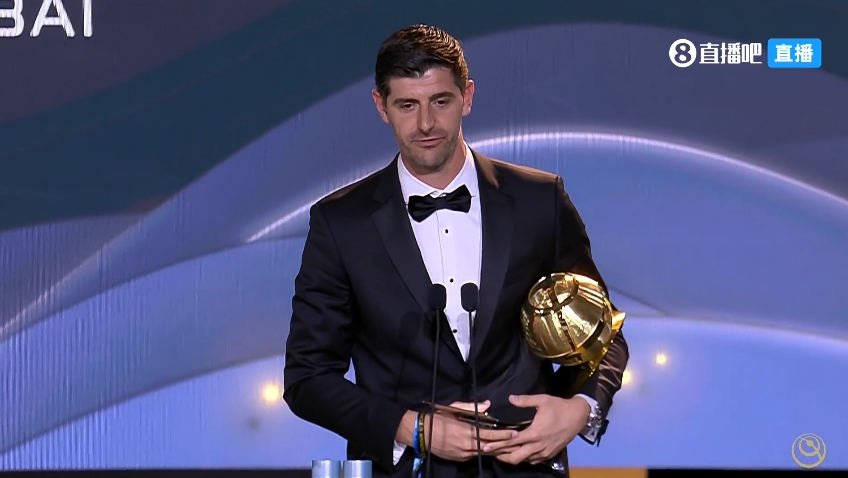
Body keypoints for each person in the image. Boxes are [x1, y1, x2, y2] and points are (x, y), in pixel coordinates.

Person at [283, 24, 629, 478]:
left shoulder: (539, 200)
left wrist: (580, 408)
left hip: (527, 467)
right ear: (381, 106)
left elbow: (603, 332)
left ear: (467, 97)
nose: (426, 124)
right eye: (407, 105)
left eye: (440, 102)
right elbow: (308, 378)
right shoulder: (341, 222)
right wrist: (411, 428)